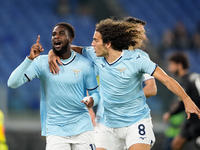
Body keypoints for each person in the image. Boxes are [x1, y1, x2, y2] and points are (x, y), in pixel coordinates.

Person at [48, 18, 200, 150]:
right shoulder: (94, 54)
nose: (91, 44)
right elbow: (67, 50)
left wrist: (186, 99)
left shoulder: (136, 60)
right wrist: (52, 53)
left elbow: (166, 80)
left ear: (107, 44)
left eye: (95, 40)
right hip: (107, 124)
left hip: (135, 122)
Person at [7, 22, 100, 150]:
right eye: (54, 34)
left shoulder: (85, 64)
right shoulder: (41, 62)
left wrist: (92, 100)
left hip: (83, 128)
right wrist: (29, 59)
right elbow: (12, 83)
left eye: (61, 34)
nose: (56, 36)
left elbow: (95, 93)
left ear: (71, 38)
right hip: (56, 131)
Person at [163, 51, 200, 150]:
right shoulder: (193, 78)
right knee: (175, 145)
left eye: (171, 64)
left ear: (179, 65)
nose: (169, 68)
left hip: (197, 120)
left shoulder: (187, 81)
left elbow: (182, 103)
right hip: (190, 121)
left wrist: (170, 114)